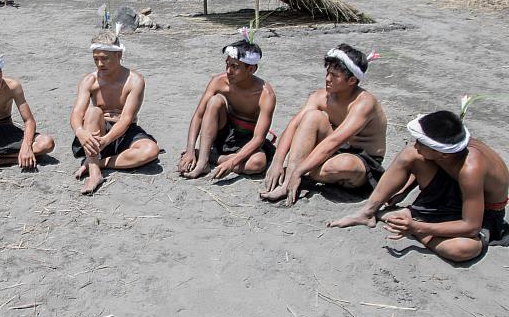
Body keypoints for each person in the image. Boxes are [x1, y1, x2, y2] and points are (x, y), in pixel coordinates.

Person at [329, 110, 509, 262]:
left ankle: (416, 223)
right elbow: (436, 163)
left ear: (443, 154)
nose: (416, 145)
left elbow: (471, 226)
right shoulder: (451, 146)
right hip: (453, 192)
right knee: (410, 154)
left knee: (463, 249)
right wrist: (405, 188)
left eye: (421, 142)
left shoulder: (471, 169)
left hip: (481, 214)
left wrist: (417, 228)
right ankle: (367, 213)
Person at [261, 44, 386, 206]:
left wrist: (299, 171)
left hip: (362, 160)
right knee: (312, 116)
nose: (327, 79)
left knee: (344, 165)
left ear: (352, 80)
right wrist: (277, 161)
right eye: (327, 72)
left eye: (334, 76)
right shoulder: (320, 96)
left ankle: (299, 173)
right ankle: (288, 183)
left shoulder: (364, 103)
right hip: (332, 151)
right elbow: (293, 126)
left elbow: (335, 141)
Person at [177, 30, 277, 180]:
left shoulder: (265, 95)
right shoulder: (219, 82)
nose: (228, 71)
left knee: (257, 164)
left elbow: (258, 138)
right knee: (215, 101)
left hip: (246, 141)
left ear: (251, 69)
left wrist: (232, 163)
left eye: (235, 67)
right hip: (222, 134)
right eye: (227, 65)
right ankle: (203, 161)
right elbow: (199, 116)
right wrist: (190, 151)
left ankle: (211, 157)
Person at [70, 30, 159, 194]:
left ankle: (98, 163)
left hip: (125, 130)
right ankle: (95, 174)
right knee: (93, 112)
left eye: (104, 58)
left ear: (118, 55)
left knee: (151, 150)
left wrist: (106, 140)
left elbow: (126, 119)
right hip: (98, 129)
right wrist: (80, 131)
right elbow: (77, 113)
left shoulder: (134, 80)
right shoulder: (90, 80)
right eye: (95, 59)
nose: (99, 64)